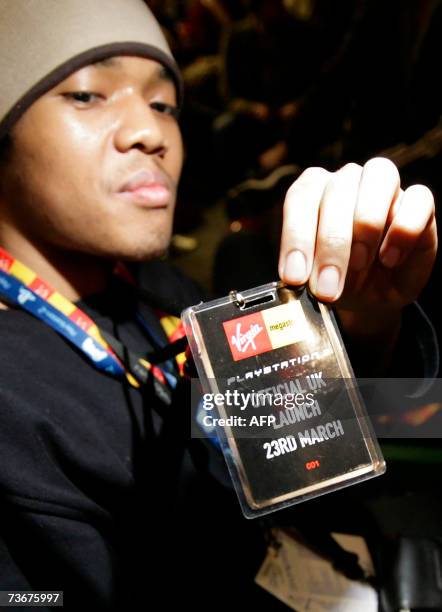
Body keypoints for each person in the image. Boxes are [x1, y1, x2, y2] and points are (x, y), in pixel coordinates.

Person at [0, 0, 437, 610]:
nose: (151, 132)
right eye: (86, 96)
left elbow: (359, 453)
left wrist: (366, 328)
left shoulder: (170, 293)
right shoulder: (13, 413)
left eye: (163, 105)